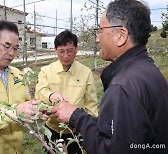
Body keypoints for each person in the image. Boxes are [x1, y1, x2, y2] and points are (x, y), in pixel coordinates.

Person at [51, 0, 168, 154]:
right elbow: (123, 132)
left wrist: (77, 117)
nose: (97, 38)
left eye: (100, 30)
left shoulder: (122, 87)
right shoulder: (148, 69)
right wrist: (79, 117)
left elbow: (113, 149)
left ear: (121, 35)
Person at [0, 20, 48, 154]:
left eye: (15, 48)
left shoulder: (17, 75)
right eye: (7, 46)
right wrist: (14, 113)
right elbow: (16, 111)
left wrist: (38, 109)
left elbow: (26, 104)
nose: (11, 53)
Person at [35, 30, 98, 153]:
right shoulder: (46, 71)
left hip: (74, 129)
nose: (65, 56)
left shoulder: (86, 73)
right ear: (55, 50)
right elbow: (40, 91)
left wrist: (91, 126)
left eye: (69, 51)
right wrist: (51, 95)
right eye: (61, 51)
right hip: (52, 127)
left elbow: (91, 103)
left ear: (76, 49)